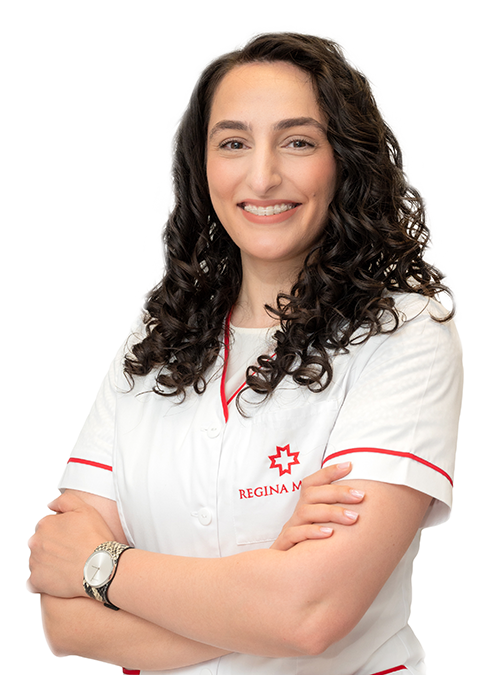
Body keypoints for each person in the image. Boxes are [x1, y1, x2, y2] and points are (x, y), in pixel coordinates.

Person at [27, 31, 463, 675]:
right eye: (233, 143)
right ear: (201, 167)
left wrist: (103, 568)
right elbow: (63, 620)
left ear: (345, 160)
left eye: (298, 142)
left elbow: (308, 614)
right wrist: (266, 594)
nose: (261, 176)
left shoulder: (403, 333)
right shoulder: (156, 335)